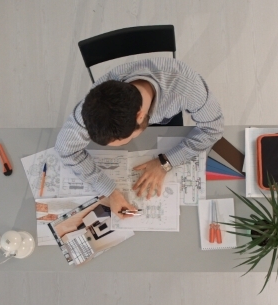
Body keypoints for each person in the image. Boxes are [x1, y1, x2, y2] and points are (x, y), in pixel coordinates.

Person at [55, 58, 224, 219]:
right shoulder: (95, 106)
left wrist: (166, 161)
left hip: (168, 116)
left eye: (125, 140)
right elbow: (65, 148)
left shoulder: (186, 85)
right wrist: (110, 191)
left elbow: (213, 127)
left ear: (139, 116)